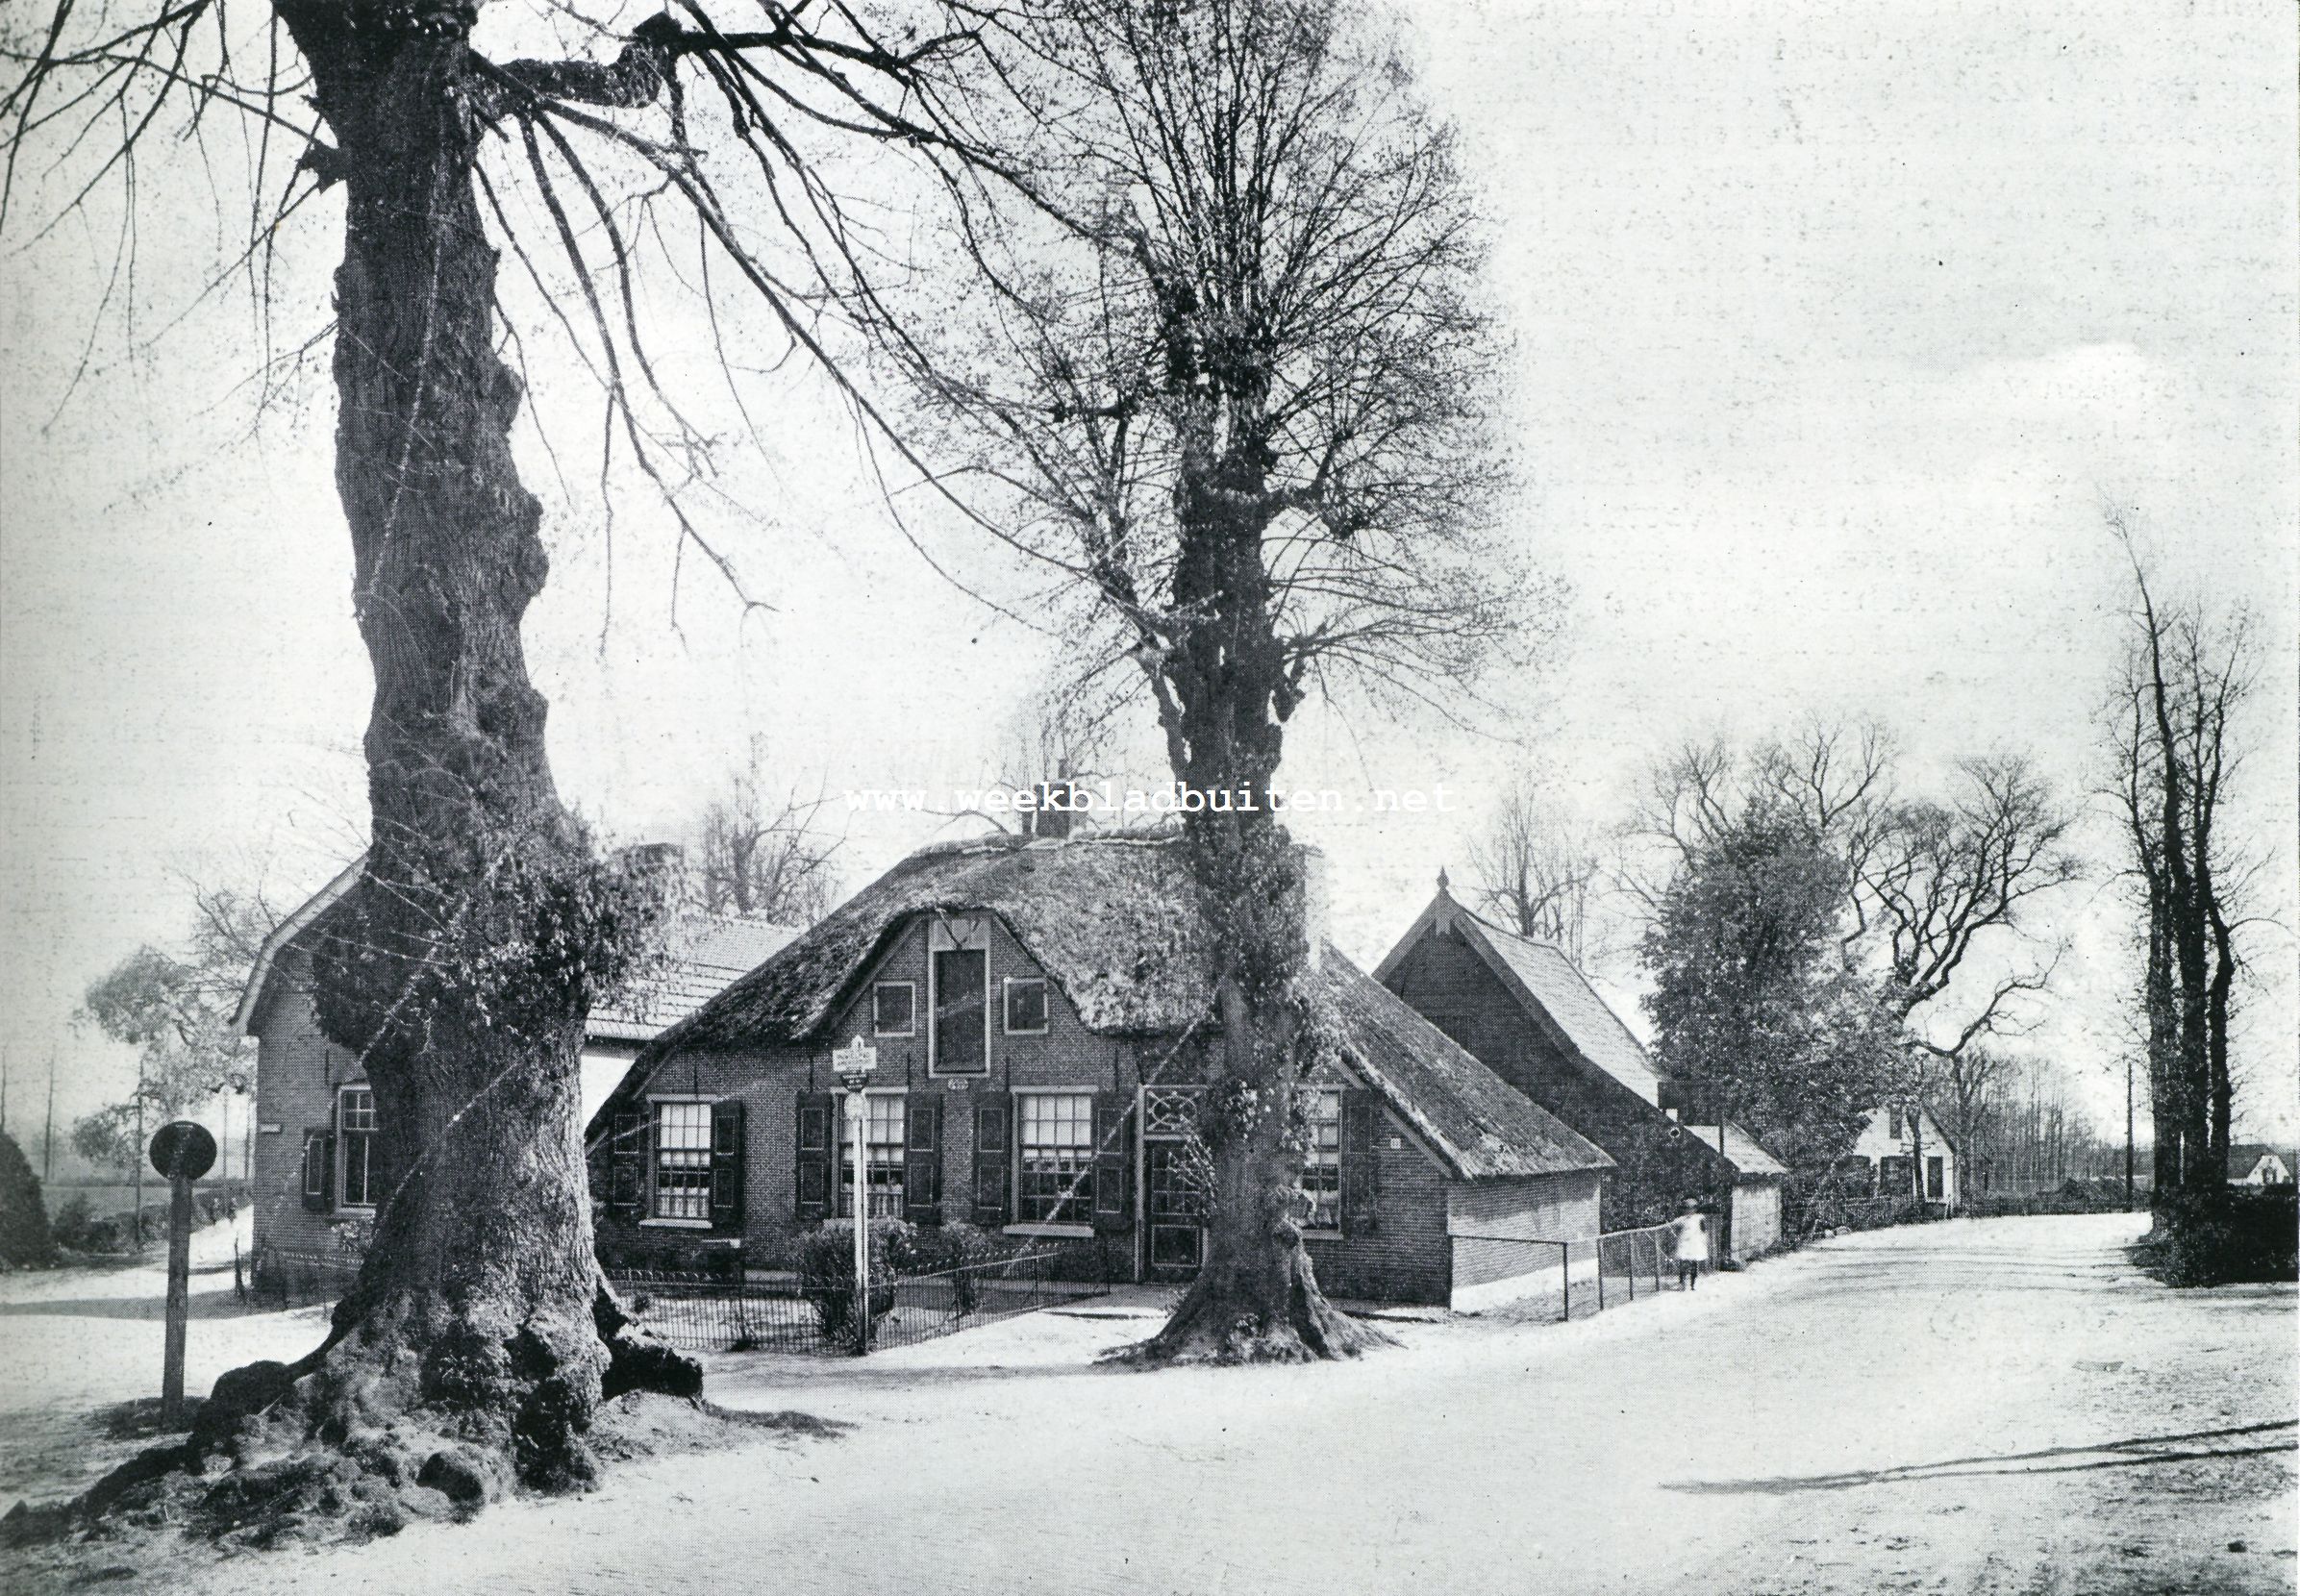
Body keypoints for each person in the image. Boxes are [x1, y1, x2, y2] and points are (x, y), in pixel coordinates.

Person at [1667, 1199, 1709, 1290]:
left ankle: (1692, 1284)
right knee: (1683, 1263)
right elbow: (1673, 1226)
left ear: (1695, 1209)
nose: (1689, 1211)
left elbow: (1704, 1231)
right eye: (1686, 1208)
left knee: (1694, 1264)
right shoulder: (1681, 1219)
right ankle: (1682, 1282)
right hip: (1684, 1244)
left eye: (1691, 1208)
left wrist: (1704, 1241)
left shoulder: (1699, 1218)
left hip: (1695, 1243)